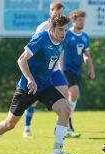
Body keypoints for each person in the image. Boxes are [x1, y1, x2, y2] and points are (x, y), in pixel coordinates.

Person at [0, 14, 76, 154]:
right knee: (9, 124)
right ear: (51, 28)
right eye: (60, 30)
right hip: (27, 88)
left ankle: (57, 152)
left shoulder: (64, 40)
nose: (63, 33)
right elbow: (21, 59)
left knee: (65, 110)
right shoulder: (41, 38)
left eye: (65, 30)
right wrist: (30, 79)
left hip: (45, 86)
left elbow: (57, 56)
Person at [23, 2, 80, 139]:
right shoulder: (42, 28)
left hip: (54, 70)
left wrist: (60, 69)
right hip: (41, 70)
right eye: (57, 12)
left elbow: (60, 52)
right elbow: (34, 48)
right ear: (51, 12)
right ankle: (27, 128)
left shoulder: (64, 30)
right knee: (33, 100)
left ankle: (63, 128)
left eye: (62, 13)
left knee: (65, 96)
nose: (59, 15)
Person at [63, 10, 95, 137]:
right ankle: (66, 124)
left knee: (71, 97)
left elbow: (86, 55)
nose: (82, 22)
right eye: (79, 20)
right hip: (66, 69)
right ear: (73, 20)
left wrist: (91, 68)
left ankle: (65, 124)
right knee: (74, 93)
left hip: (77, 70)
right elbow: (60, 51)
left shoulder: (85, 37)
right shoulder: (67, 34)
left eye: (83, 20)